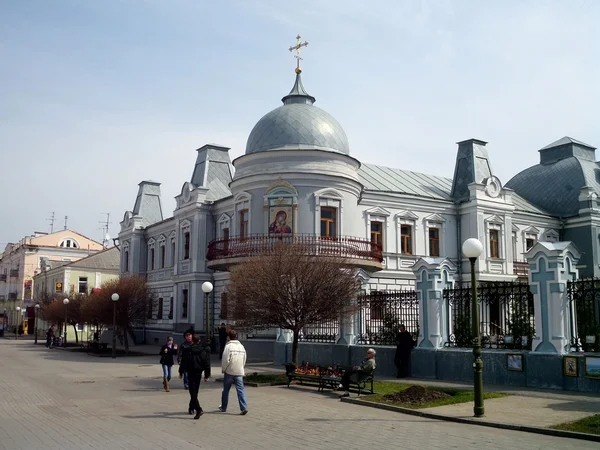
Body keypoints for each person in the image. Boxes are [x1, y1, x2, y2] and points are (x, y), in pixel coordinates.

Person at [179, 335, 211, 420]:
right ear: (199, 341)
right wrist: (207, 375)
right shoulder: (203, 350)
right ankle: (191, 407)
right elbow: (207, 363)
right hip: (198, 372)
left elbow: (183, 361)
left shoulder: (188, 349)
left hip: (191, 372)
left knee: (192, 391)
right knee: (195, 390)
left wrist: (181, 372)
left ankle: (198, 409)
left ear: (192, 341)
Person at [219, 329, 248, 415]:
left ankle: (224, 407)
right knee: (240, 390)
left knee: (226, 390)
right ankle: (243, 407)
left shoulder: (228, 347)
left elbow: (225, 360)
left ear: (228, 337)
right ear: (236, 336)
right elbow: (244, 358)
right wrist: (241, 367)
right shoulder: (241, 346)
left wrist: (223, 369)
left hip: (229, 371)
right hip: (239, 371)